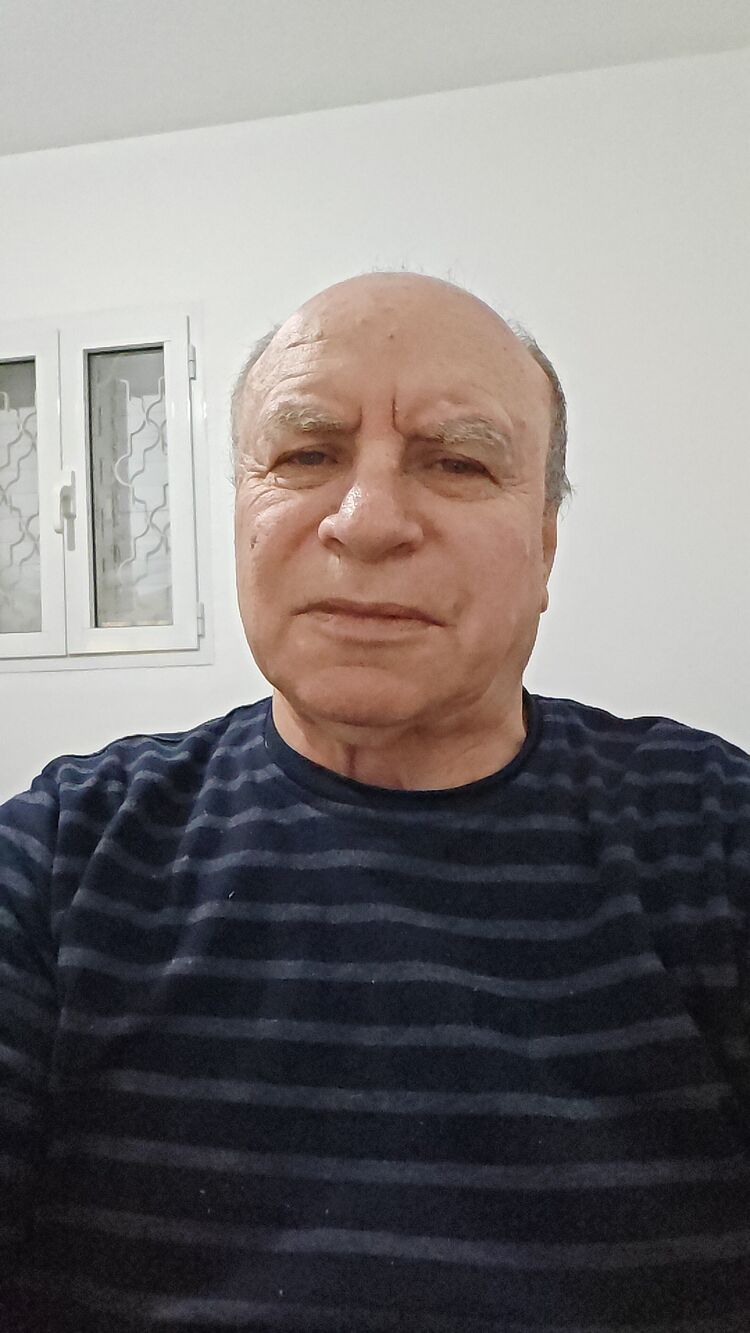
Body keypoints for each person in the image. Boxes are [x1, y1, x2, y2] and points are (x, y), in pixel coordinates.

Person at [1, 271, 749, 1333]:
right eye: (306, 455)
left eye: (458, 462)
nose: (367, 521)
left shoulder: (715, 834)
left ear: (545, 544)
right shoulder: (66, 852)